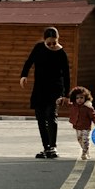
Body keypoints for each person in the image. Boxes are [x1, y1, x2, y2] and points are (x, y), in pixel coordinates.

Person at [19, 26, 70, 159]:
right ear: (44, 40)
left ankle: (53, 146)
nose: (52, 45)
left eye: (54, 42)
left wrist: (66, 95)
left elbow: (66, 74)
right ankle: (46, 147)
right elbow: (29, 62)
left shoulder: (61, 53)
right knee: (40, 118)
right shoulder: (38, 48)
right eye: (49, 43)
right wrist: (24, 75)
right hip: (40, 88)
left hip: (55, 89)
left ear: (58, 40)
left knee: (51, 115)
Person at [68, 85, 95, 161]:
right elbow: (67, 102)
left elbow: (93, 115)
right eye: (77, 98)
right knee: (79, 139)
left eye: (81, 98)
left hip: (86, 127)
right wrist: (61, 100)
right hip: (77, 126)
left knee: (85, 140)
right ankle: (86, 150)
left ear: (85, 98)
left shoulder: (88, 107)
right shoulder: (74, 105)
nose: (79, 100)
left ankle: (84, 153)